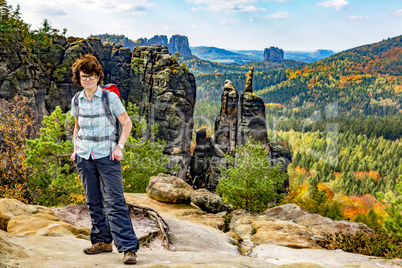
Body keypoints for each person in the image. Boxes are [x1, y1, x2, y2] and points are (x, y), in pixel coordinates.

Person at [70, 54, 139, 265]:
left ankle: (128, 248)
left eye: (91, 76)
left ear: (98, 77)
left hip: (108, 155)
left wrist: (120, 146)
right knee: (93, 200)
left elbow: (127, 123)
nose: (87, 80)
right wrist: (75, 150)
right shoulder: (77, 100)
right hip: (84, 156)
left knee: (115, 201)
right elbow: (77, 127)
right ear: (78, 78)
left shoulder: (110, 98)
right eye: (84, 76)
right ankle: (101, 241)